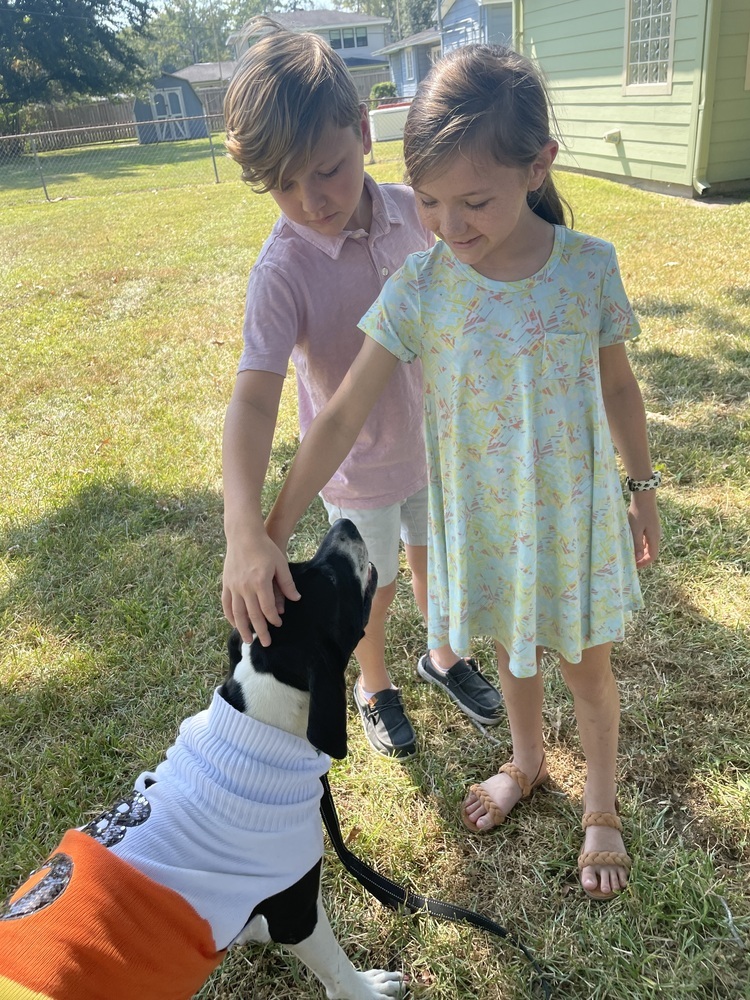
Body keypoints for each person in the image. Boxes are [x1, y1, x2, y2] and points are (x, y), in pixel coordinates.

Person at [260, 43, 661, 900]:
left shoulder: (587, 267)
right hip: (482, 520)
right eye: (432, 202)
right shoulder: (420, 286)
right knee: (513, 652)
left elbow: (620, 385)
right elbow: (339, 416)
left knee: (586, 667)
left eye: (475, 201)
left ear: (538, 165)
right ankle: (526, 761)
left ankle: (602, 808)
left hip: (573, 513)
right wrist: (266, 528)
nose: (449, 224)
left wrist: (643, 489)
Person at [221, 21, 503, 762]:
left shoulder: (418, 211)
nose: (311, 199)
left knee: (435, 561)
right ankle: (374, 684)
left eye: (327, 169)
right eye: (283, 184)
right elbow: (254, 399)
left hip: (436, 446)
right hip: (358, 471)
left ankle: (443, 655)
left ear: (362, 131)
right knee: (370, 588)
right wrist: (246, 525)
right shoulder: (282, 271)